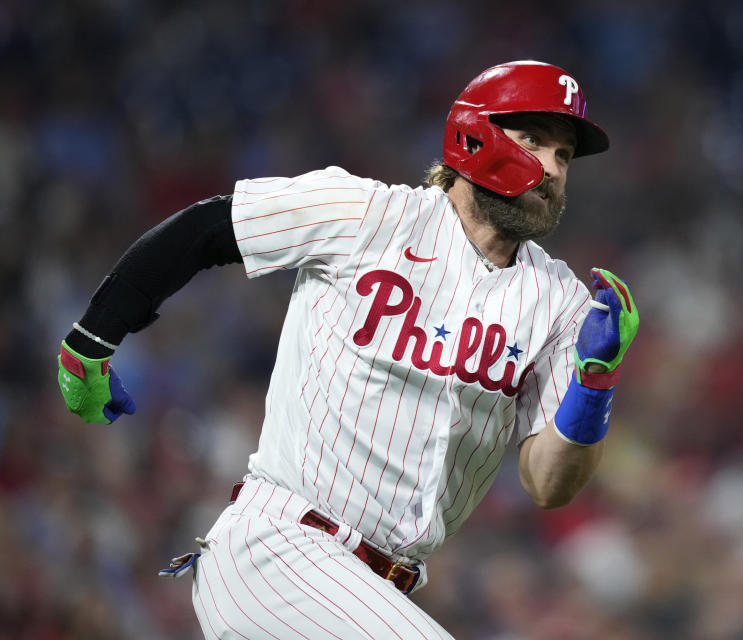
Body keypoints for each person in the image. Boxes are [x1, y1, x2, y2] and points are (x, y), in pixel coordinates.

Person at [57, 60, 639, 639]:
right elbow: (209, 227)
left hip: (376, 590)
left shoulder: (561, 303)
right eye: (533, 140)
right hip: (280, 552)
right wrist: (92, 338)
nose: (552, 169)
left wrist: (594, 385)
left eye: (563, 155)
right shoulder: (370, 214)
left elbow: (548, 482)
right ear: (472, 134)